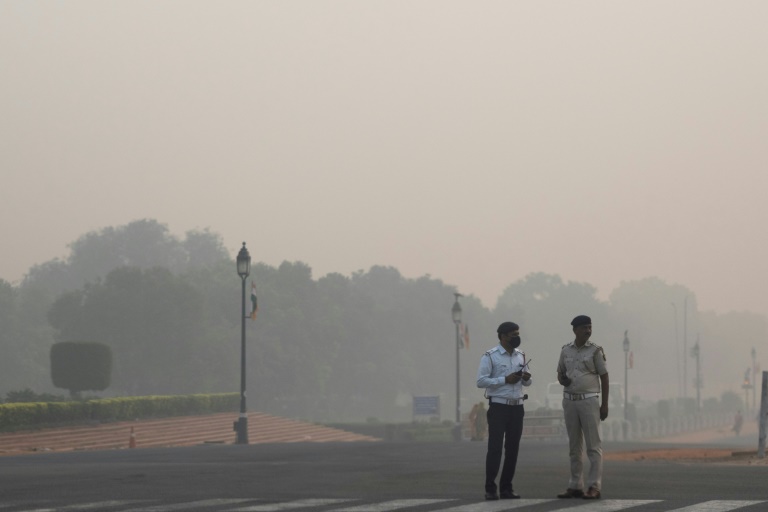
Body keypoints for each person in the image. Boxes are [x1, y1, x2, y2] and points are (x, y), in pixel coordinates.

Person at [476, 321, 532, 500]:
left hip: (517, 406)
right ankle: (490, 488)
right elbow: (481, 381)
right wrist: (503, 380)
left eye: (518, 333)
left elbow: (528, 382)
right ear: (502, 336)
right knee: (495, 449)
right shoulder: (490, 356)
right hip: (499, 406)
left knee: (513, 449)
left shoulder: (521, 355)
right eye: (513, 334)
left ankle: (506, 488)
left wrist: (526, 377)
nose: (517, 337)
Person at [556, 315, 608, 500]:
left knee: (593, 446)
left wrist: (604, 404)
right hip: (570, 400)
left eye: (590, 327)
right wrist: (562, 379)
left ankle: (594, 486)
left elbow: (604, 376)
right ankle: (575, 485)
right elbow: (560, 372)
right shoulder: (565, 350)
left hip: (589, 400)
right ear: (575, 330)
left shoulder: (595, 350)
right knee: (574, 446)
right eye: (584, 327)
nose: (588, 330)